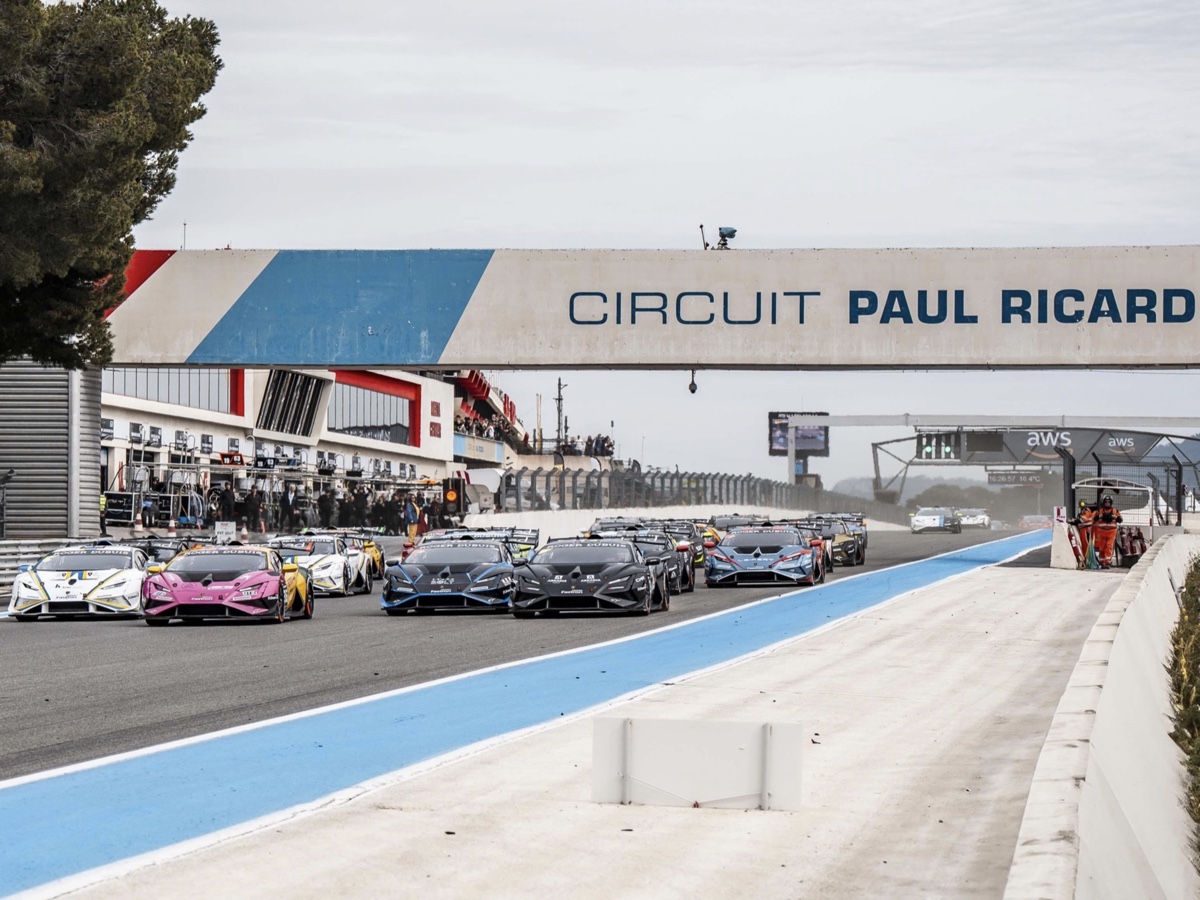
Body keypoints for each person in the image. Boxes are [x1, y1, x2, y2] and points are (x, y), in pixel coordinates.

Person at [1092, 495, 1123, 568]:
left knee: (1109, 546)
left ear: (1111, 503)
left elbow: (1120, 520)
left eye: (1108, 502)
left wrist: (1115, 517)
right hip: (1101, 532)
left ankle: (1107, 562)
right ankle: (1102, 562)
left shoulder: (1115, 511)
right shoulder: (1100, 511)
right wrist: (1100, 516)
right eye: (1106, 502)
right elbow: (1094, 519)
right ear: (1103, 503)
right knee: (1102, 547)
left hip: (1111, 532)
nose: (1107, 503)